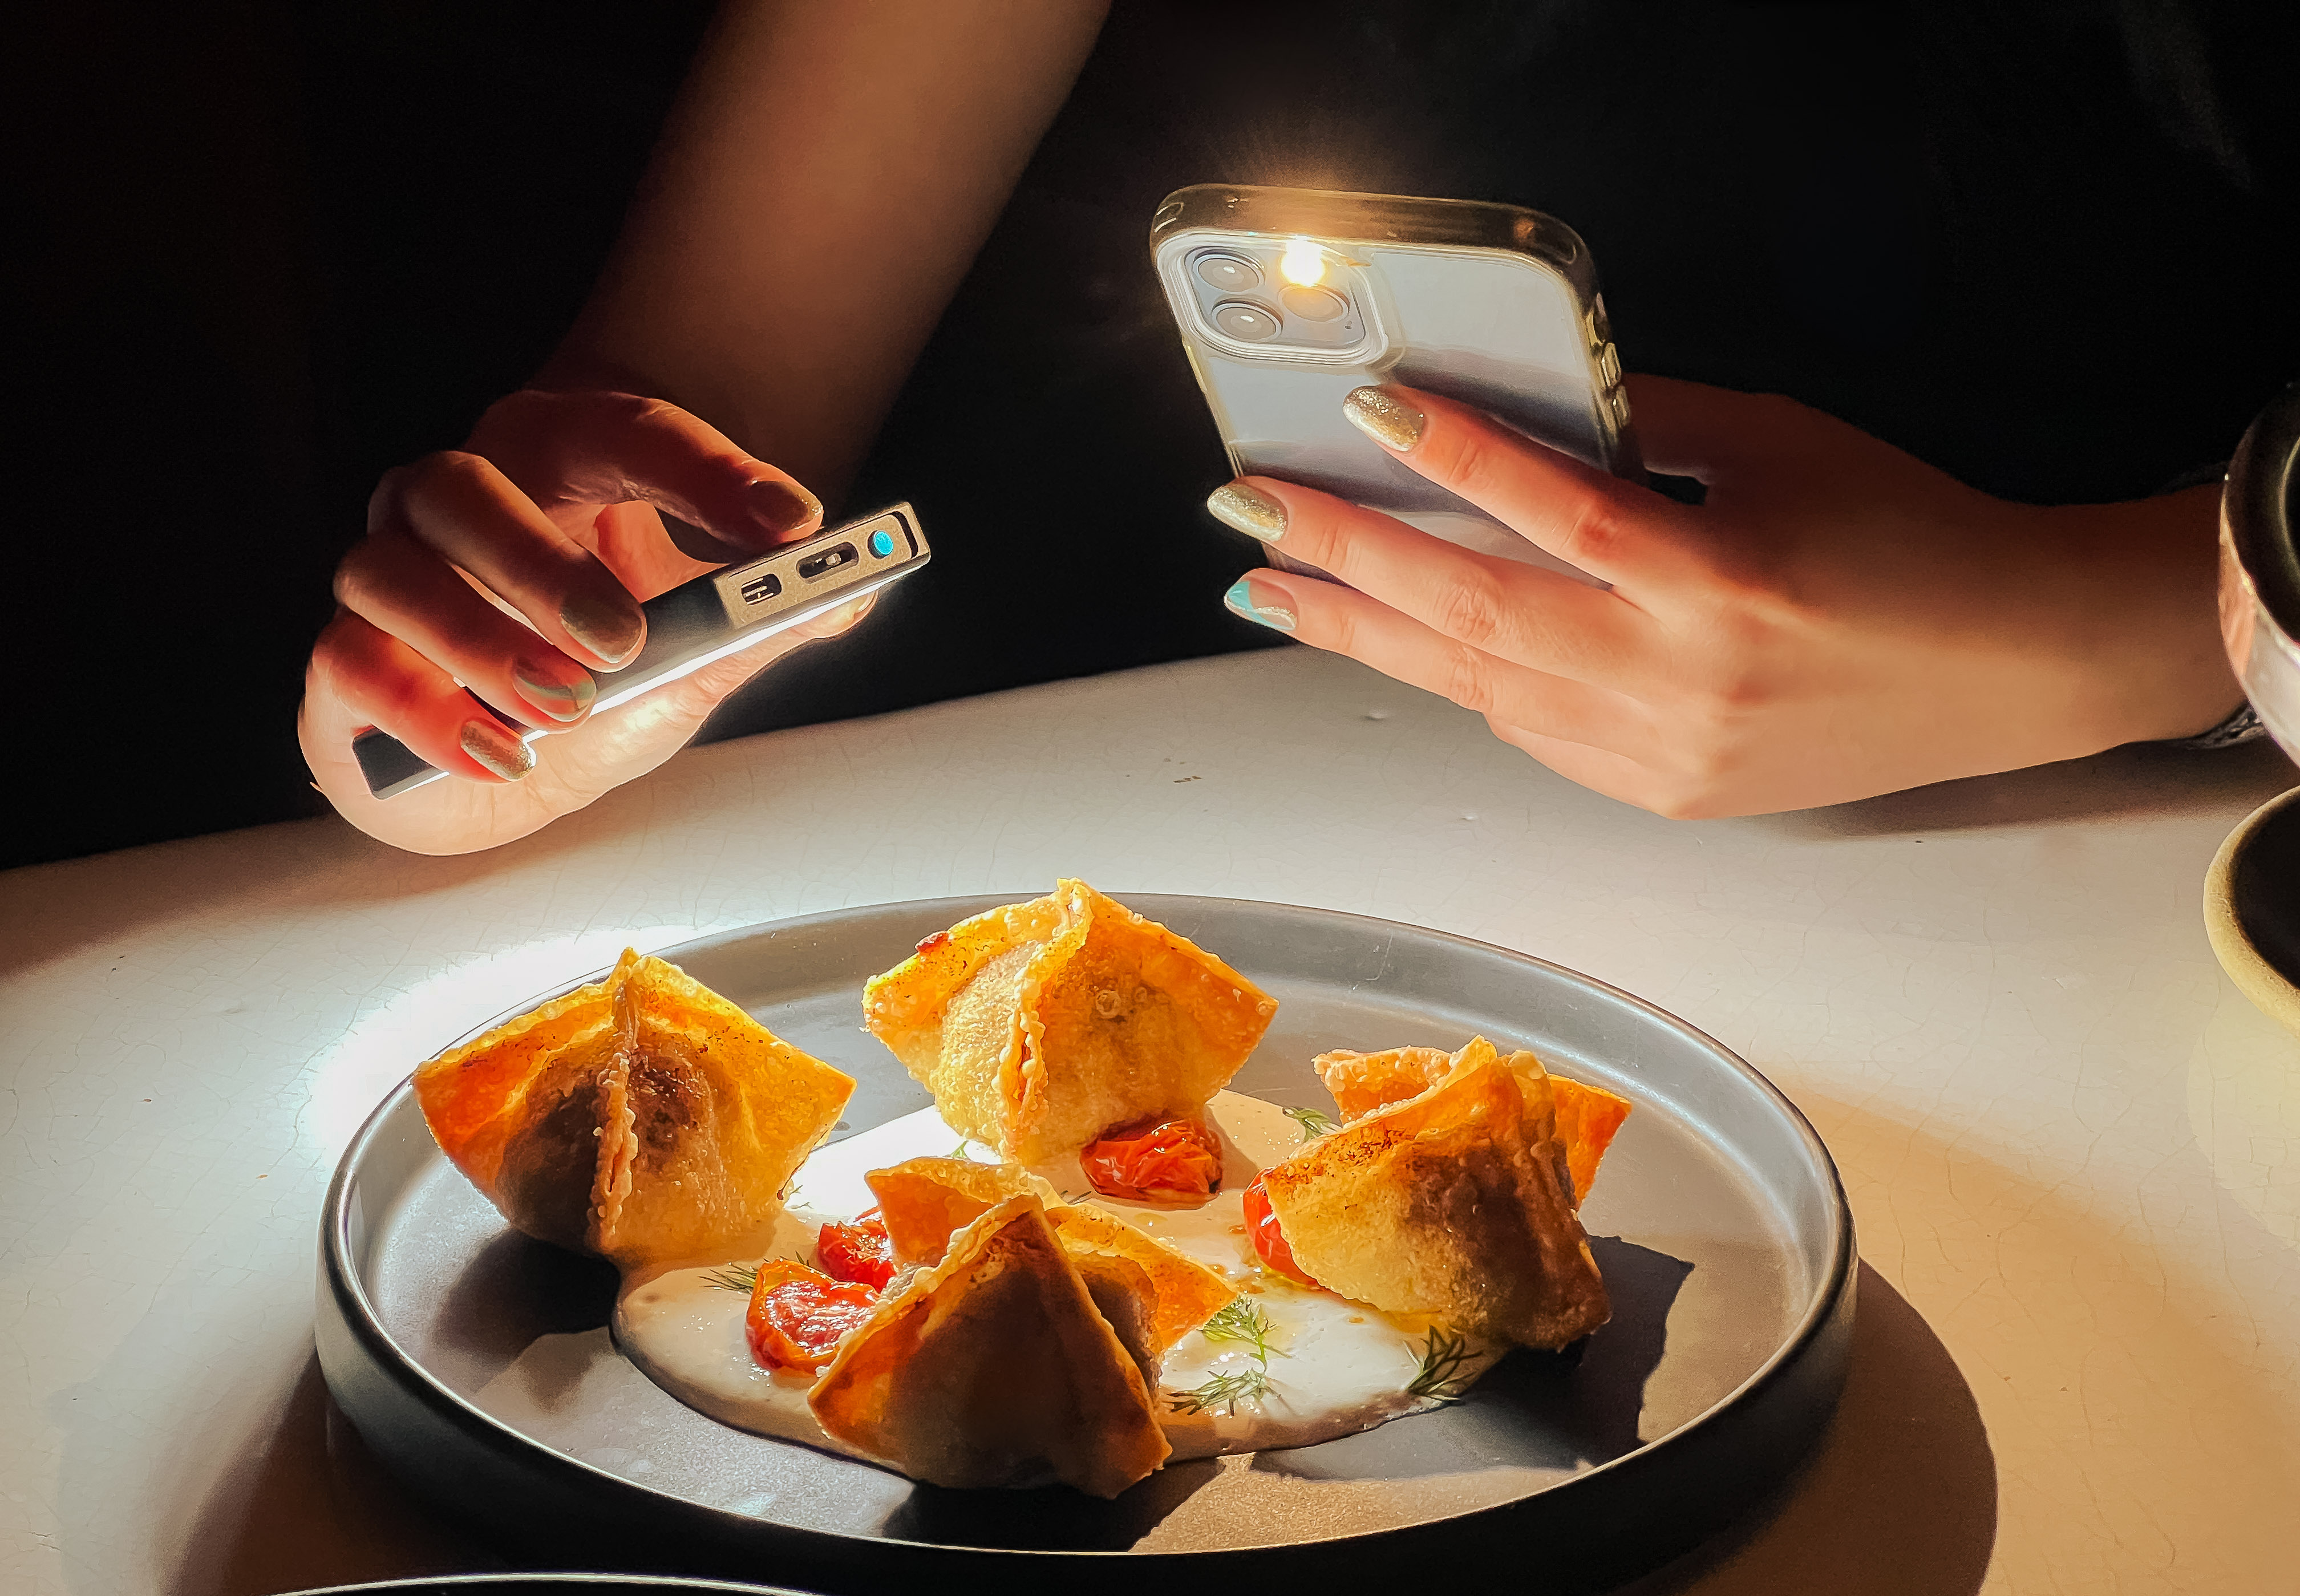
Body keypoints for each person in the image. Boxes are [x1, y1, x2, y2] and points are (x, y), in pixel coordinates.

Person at [299, 1, 2288, 855]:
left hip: (2150, 880)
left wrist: (2145, 625)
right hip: (1192, 878)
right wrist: (511, 677)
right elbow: (691, 435)